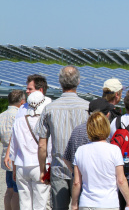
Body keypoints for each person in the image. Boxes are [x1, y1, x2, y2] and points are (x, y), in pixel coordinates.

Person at [37, 65, 89, 210]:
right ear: (78, 82)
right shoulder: (87, 108)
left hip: (58, 168)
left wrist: (42, 169)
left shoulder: (50, 108)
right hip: (82, 169)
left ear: (60, 83)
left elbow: (42, 145)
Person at [71, 112, 129, 210]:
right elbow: (121, 180)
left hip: (87, 203)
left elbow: (76, 182)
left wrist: (74, 204)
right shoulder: (114, 150)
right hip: (109, 203)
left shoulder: (81, 150)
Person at [10, 91, 52, 210]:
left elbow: (14, 147)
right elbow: (49, 147)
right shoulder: (45, 121)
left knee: (24, 203)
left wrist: (14, 169)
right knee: (40, 203)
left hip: (21, 165)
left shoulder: (18, 121)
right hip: (40, 165)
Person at [3, 74, 49, 169]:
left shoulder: (49, 107)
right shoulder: (23, 108)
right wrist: (9, 153)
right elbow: (15, 132)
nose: (27, 91)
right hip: (23, 160)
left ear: (40, 90)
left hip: (42, 160)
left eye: (30, 89)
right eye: (27, 88)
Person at [63, 97, 115, 172]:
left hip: (79, 178)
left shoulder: (77, 130)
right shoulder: (105, 133)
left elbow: (66, 158)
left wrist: (75, 174)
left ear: (88, 113)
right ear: (107, 115)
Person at [0, 90, 25, 210]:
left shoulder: (1, 115)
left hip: (5, 154)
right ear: (21, 102)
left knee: (9, 188)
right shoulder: (19, 115)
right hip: (16, 156)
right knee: (16, 191)